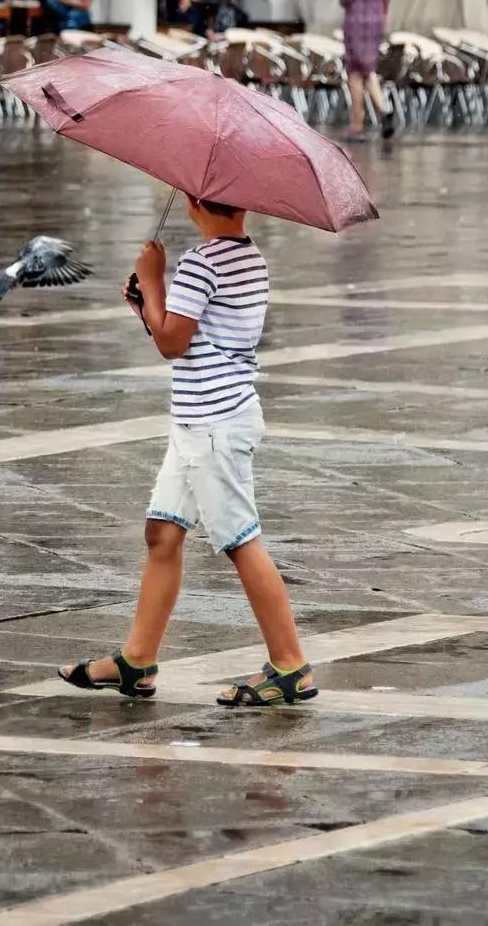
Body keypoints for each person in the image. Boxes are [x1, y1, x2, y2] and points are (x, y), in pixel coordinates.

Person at [58, 196, 317, 708]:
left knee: (241, 540)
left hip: (213, 424)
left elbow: (173, 343)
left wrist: (153, 280)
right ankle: (137, 660)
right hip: (205, 419)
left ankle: (291, 665)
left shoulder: (202, 262)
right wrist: (148, 306)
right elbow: (197, 337)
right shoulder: (250, 257)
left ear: (196, 199)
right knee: (162, 532)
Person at [339, 0, 391, 140]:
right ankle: (384, 111)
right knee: (368, 69)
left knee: (354, 72)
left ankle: (357, 125)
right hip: (376, 20)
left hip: (356, 21)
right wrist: (382, 15)